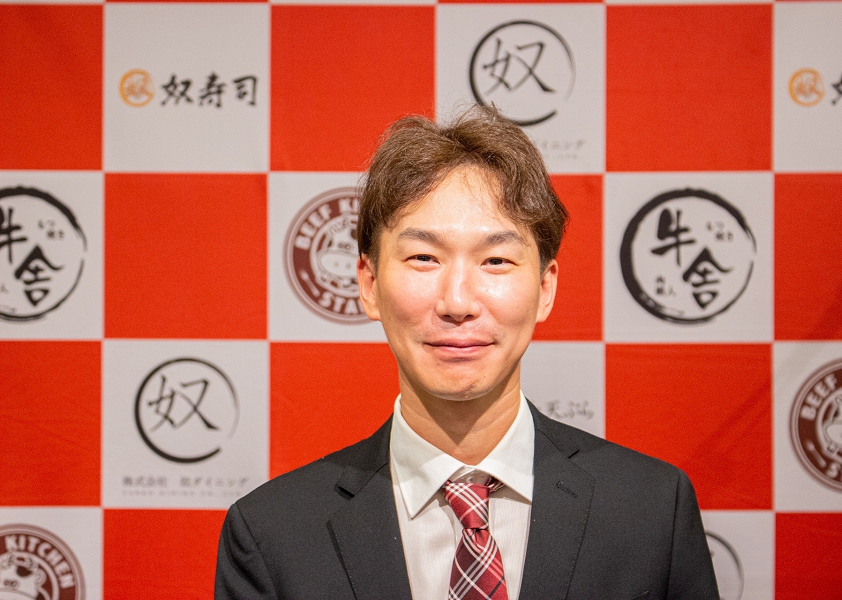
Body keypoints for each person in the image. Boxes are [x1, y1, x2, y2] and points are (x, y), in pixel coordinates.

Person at [215, 106, 719, 599]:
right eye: (423, 258)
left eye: (496, 260)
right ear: (368, 284)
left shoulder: (652, 511)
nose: (457, 302)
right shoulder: (272, 536)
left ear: (545, 288)